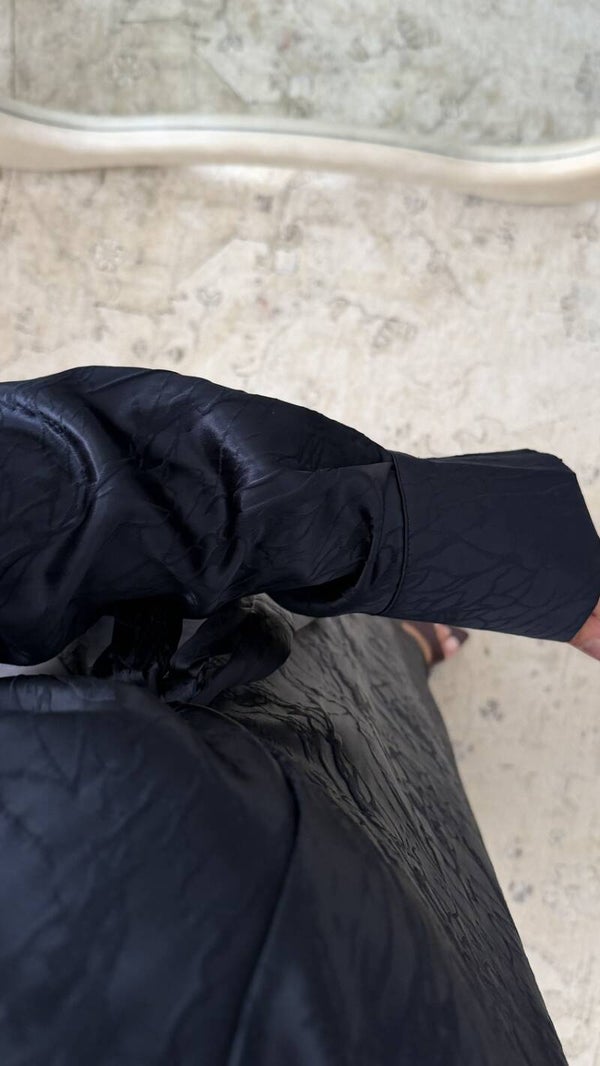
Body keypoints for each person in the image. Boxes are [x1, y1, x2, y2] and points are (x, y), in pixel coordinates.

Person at [0, 364, 598, 1066]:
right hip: (399, 1011)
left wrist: (523, 571)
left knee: (350, 698)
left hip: (186, 784)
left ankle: (399, 645)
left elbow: (93, 490)